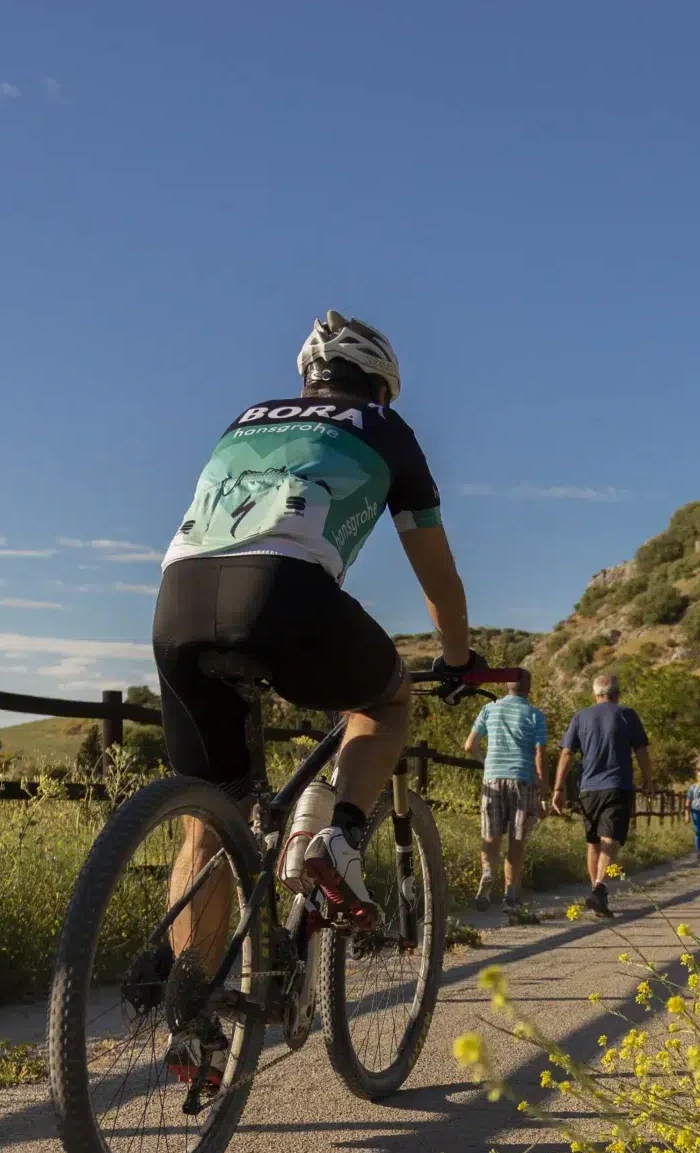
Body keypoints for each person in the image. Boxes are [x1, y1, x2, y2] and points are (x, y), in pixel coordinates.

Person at [147, 312, 474, 1079]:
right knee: (384, 701)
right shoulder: (384, 427)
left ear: (307, 378)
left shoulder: (246, 418)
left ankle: (191, 1016)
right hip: (282, 593)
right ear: (381, 384)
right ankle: (336, 837)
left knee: (210, 821)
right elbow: (439, 577)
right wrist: (459, 658)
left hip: (178, 603)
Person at [548, 672, 651, 918]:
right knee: (610, 839)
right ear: (617, 694)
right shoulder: (627, 714)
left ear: (594, 694)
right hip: (617, 785)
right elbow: (641, 751)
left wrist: (558, 788)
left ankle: (597, 897)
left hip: (587, 789)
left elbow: (566, 753)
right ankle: (599, 888)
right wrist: (649, 779)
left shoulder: (580, 716)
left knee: (593, 841)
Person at [463, 666, 546, 915]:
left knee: (490, 836)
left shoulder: (489, 709)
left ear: (505, 686)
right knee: (516, 841)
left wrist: (486, 761)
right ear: (529, 688)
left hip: (492, 778)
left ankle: (488, 872)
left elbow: (469, 745)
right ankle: (510, 896)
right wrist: (544, 786)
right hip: (522, 778)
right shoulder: (535, 715)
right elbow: (539, 754)